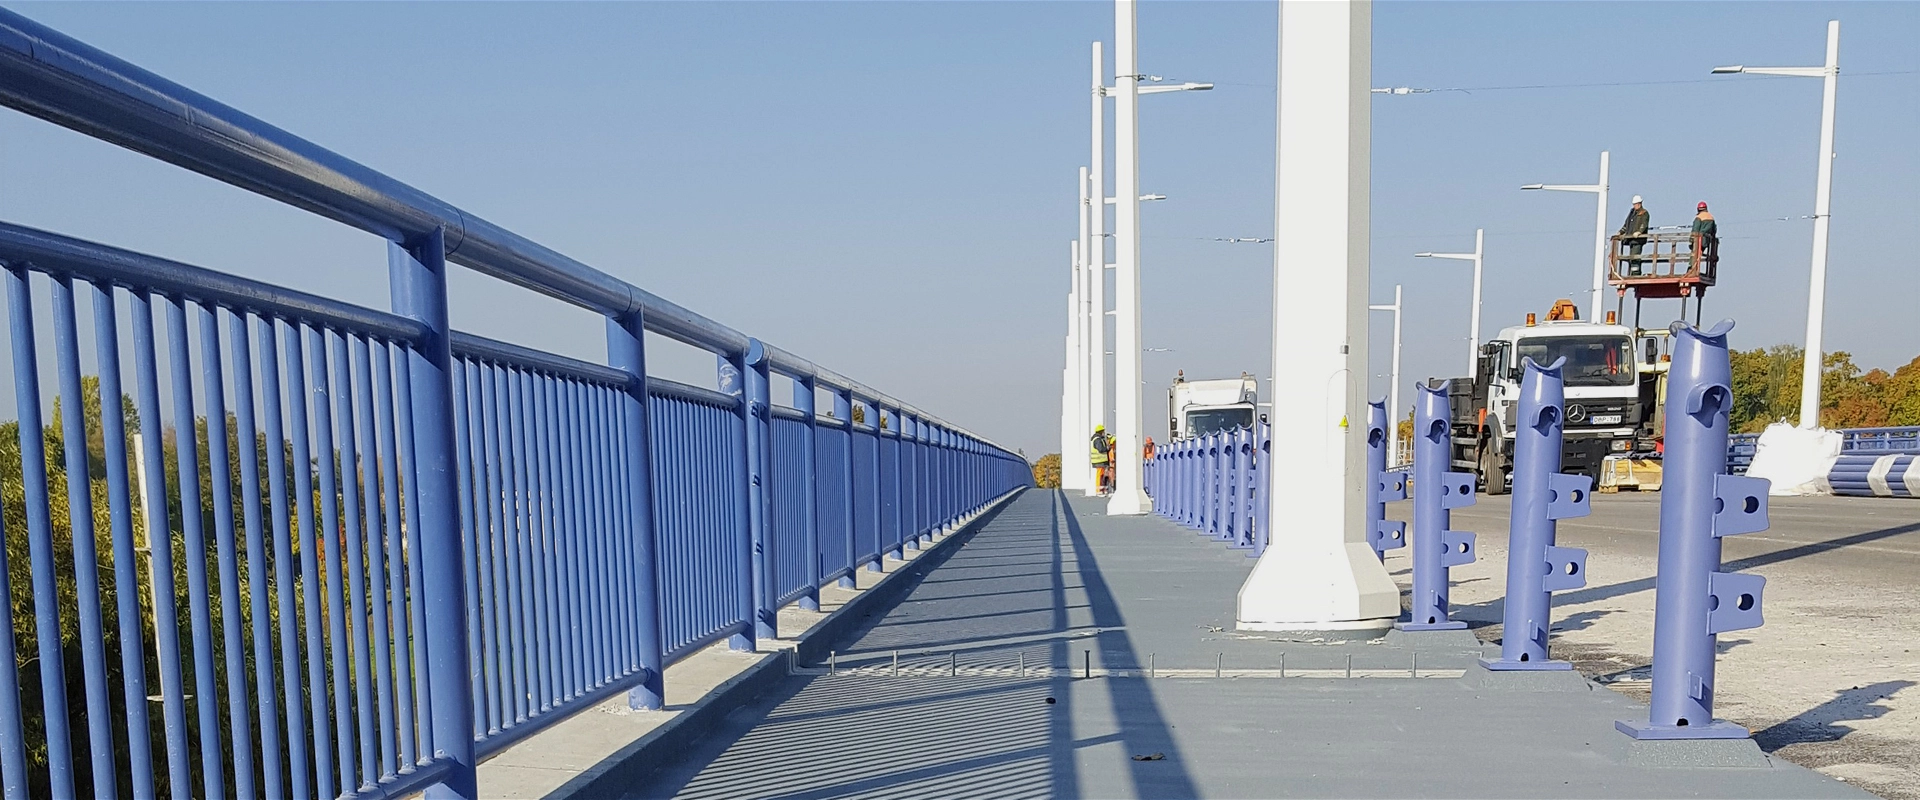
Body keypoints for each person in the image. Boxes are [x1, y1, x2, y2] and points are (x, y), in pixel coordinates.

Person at [1618, 195, 1650, 276]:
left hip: (1638, 240)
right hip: (1631, 240)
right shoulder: (1632, 213)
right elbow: (1627, 224)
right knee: (1632, 257)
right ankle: (1633, 273)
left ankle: (1636, 273)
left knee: (1635, 257)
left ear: (1640, 203)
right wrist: (1620, 232)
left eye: (1636, 204)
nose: (1635, 206)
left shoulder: (1644, 213)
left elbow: (1644, 224)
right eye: (1634, 204)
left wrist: (1639, 232)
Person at [1691, 201, 1718, 271]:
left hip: (1699, 240)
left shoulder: (1699, 217)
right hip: (1707, 241)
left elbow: (1695, 230)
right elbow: (1714, 230)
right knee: (1699, 255)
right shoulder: (1711, 217)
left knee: (1694, 256)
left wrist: (1691, 241)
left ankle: (1691, 270)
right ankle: (1694, 269)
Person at [1089, 424, 1114, 494]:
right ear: (1100, 432)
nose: (1104, 433)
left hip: (1101, 461)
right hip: (1099, 461)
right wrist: (1107, 448)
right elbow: (1101, 449)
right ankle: (1098, 490)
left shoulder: (1098, 439)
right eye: (1103, 431)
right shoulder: (1097, 440)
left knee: (1102, 475)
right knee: (1100, 475)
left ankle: (1101, 489)